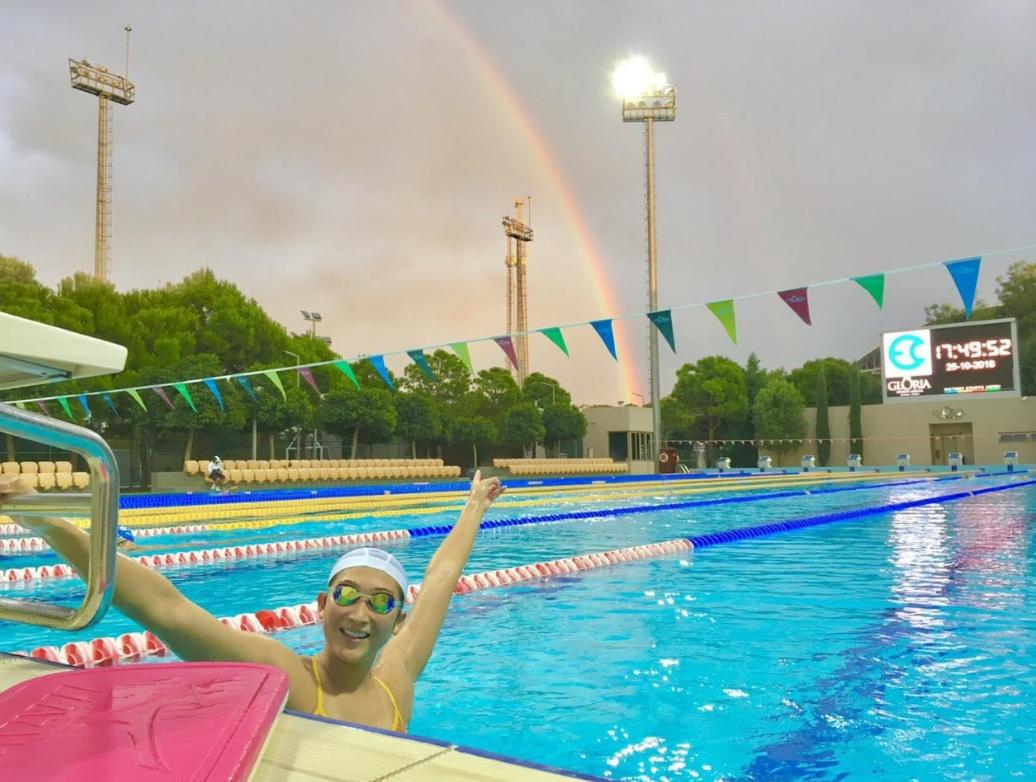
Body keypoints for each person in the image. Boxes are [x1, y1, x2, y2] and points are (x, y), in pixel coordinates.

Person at [0, 471, 505, 733]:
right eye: (346, 594)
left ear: (398, 621)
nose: (359, 613)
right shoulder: (288, 678)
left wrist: (475, 506)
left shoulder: (400, 676)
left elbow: (440, 577)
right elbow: (167, 609)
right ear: (320, 605)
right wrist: (42, 520)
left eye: (380, 602)